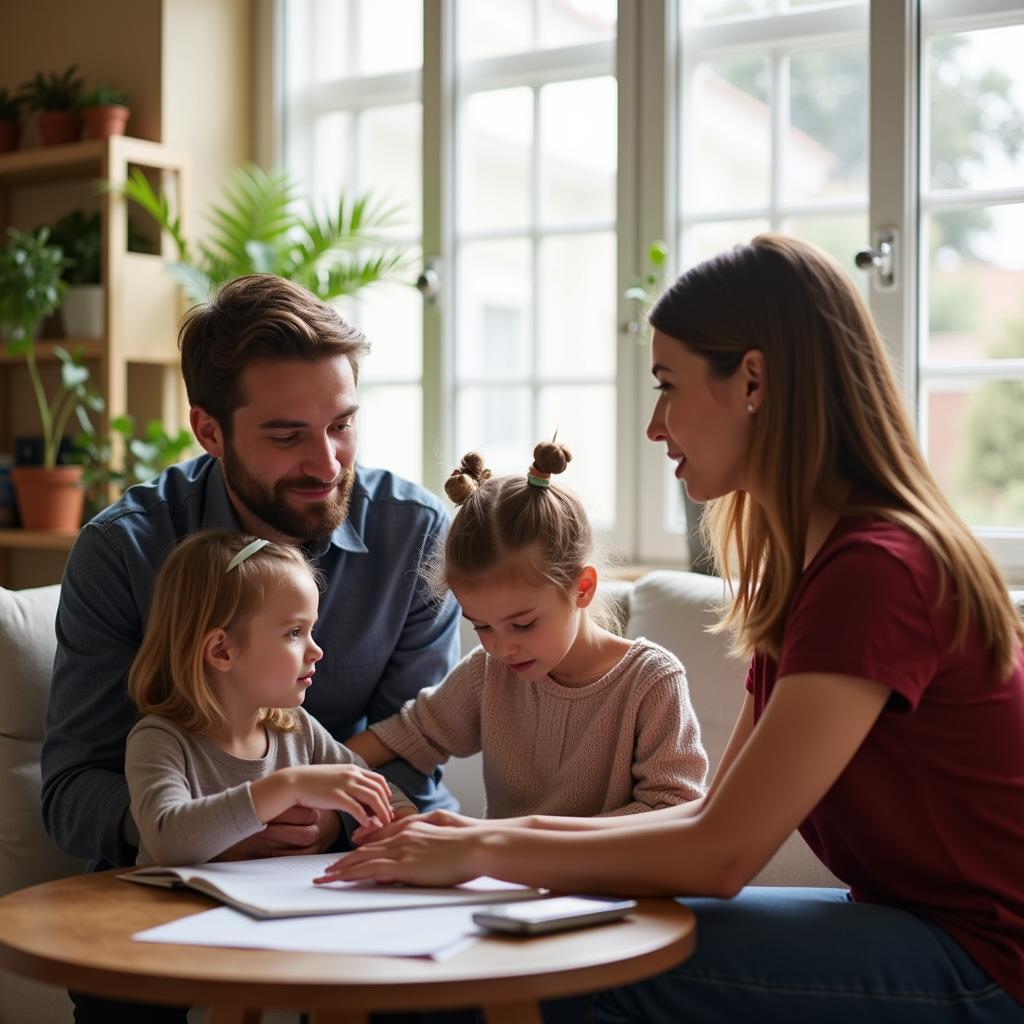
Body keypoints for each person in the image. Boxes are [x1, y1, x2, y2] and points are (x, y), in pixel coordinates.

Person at [317, 235, 1024, 1023]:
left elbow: (721, 857)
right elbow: (705, 818)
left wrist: (484, 851)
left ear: (752, 379)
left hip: (985, 959)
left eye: (668, 385)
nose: (656, 426)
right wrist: (470, 844)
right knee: (492, 948)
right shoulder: (811, 574)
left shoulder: (876, 571)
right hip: (913, 929)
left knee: (527, 975)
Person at [40, 274, 460, 1024]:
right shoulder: (123, 551)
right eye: (286, 434)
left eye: (341, 424)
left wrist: (331, 818)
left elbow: (418, 757)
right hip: (172, 894)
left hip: (348, 874)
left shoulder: (416, 539)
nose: (328, 464)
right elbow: (72, 793)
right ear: (209, 431)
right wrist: (205, 829)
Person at [344, 441, 707, 827]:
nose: (500, 647)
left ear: (581, 588)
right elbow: (409, 734)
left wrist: (506, 837)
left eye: (523, 624)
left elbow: (674, 810)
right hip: (505, 880)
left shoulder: (651, 681)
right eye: (481, 626)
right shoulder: (489, 672)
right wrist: (313, 776)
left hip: (613, 886)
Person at [126, 530, 416, 867]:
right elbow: (165, 838)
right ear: (222, 650)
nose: (317, 651)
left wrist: (404, 827)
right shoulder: (161, 739)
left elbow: (382, 795)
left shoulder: (298, 730)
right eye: (294, 633)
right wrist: (287, 786)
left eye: (311, 630)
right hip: (173, 915)